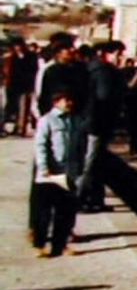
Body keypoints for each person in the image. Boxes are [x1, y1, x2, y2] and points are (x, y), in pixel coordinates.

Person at [32, 88, 81, 257]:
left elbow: (79, 146)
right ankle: (40, 244)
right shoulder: (47, 120)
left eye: (70, 100)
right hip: (49, 173)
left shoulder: (74, 120)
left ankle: (60, 244)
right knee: (44, 212)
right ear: (56, 102)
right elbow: (41, 145)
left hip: (67, 173)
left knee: (65, 213)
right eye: (66, 100)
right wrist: (43, 165)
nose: (69, 103)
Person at [78, 40, 125, 212]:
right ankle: (79, 199)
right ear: (106, 53)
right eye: (117, 54)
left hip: (90, 122)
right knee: (90, 164)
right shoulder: (105, 72)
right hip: (97, 124)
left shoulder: (91, 68)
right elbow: (104, 97)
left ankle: (96, 199)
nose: (120, 57)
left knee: (97, 163)